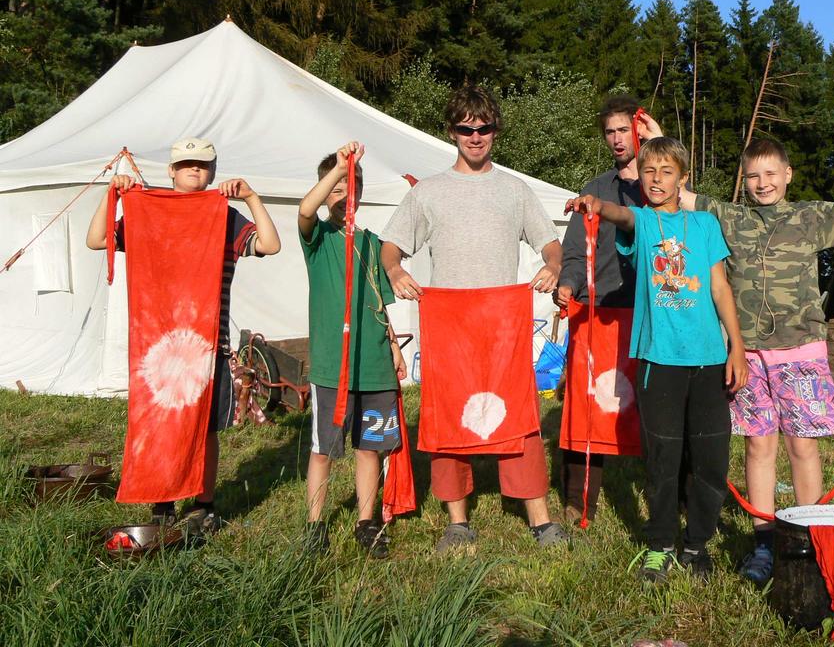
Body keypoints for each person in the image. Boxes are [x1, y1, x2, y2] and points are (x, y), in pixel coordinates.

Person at [677, 122, 834, 585]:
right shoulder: (729, 218)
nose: (762, 183)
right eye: (752, 176)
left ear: (788, 174)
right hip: (745, 355)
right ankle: (765, 542)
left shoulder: (812, 218)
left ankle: (809, 535)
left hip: (801, 353)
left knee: (801, 446)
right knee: (758, 445)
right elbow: (676, 187)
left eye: (771, 174)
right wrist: (653, 135)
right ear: (742, 181)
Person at [379, 85, 569, 551]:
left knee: (520, 413)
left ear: (495, 132)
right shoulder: (429, 192)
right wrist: (395, 268)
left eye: (483, 128)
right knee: (446, 417)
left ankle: (540, 519)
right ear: (452, 132)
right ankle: (458, 520)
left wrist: (553, 265)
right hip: (450, 325)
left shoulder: (514, 189)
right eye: (466, 128)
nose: (475, 136)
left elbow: (550, 244)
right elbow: (391, 246)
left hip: (503, 325)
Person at [566, 137, 748, 583]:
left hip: (707, 359)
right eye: (649, 172)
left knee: (710, 459)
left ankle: (697, 544)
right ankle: (661, 543)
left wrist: (736, 348)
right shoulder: (645, 223)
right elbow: (620, 214)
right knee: (663, 459)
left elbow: (720, 288)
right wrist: (596, 204)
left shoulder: (704, 226)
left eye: (667, 172)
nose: (657, 180)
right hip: (657, 361)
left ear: (682, 178)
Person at [85, 137, 281, 531]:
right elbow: (97, 240)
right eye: (186, 163)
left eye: (203, 164)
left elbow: (270, 245)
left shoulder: (222, 216)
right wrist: (113, 196)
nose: (195, 169)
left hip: (207, 344)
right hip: (159, 343)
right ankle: (163, 503)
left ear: (212, 171)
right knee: (161, 424)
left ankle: (203, 504)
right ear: (171, 171)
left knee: (205, 431)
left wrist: (252, 198)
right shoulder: (148, 212)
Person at [297, 142, 409, 558]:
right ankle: (314, 525)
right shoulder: (319, 238)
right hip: (332, 366)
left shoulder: (374, 243)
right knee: (324, 449)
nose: (345, 196)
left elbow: (380, 302)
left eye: (353, 188)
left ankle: (366, 521)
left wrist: (395, 347)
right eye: (337, 189)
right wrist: (339, 171)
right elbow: (305, 212)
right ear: (326, 192)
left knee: (370, 447)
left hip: (374, 363)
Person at [554, 95, 661, 524]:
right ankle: (580, 503)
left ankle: (670, 500)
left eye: (625, 130)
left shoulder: (661, 186)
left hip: (655, 311)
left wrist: (660, 147)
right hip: (599, 310)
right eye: (611, 132)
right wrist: (568, 284)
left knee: (661, 411)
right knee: (586, 407)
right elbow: (576, 253)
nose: (618, 140)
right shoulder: (594, 190)